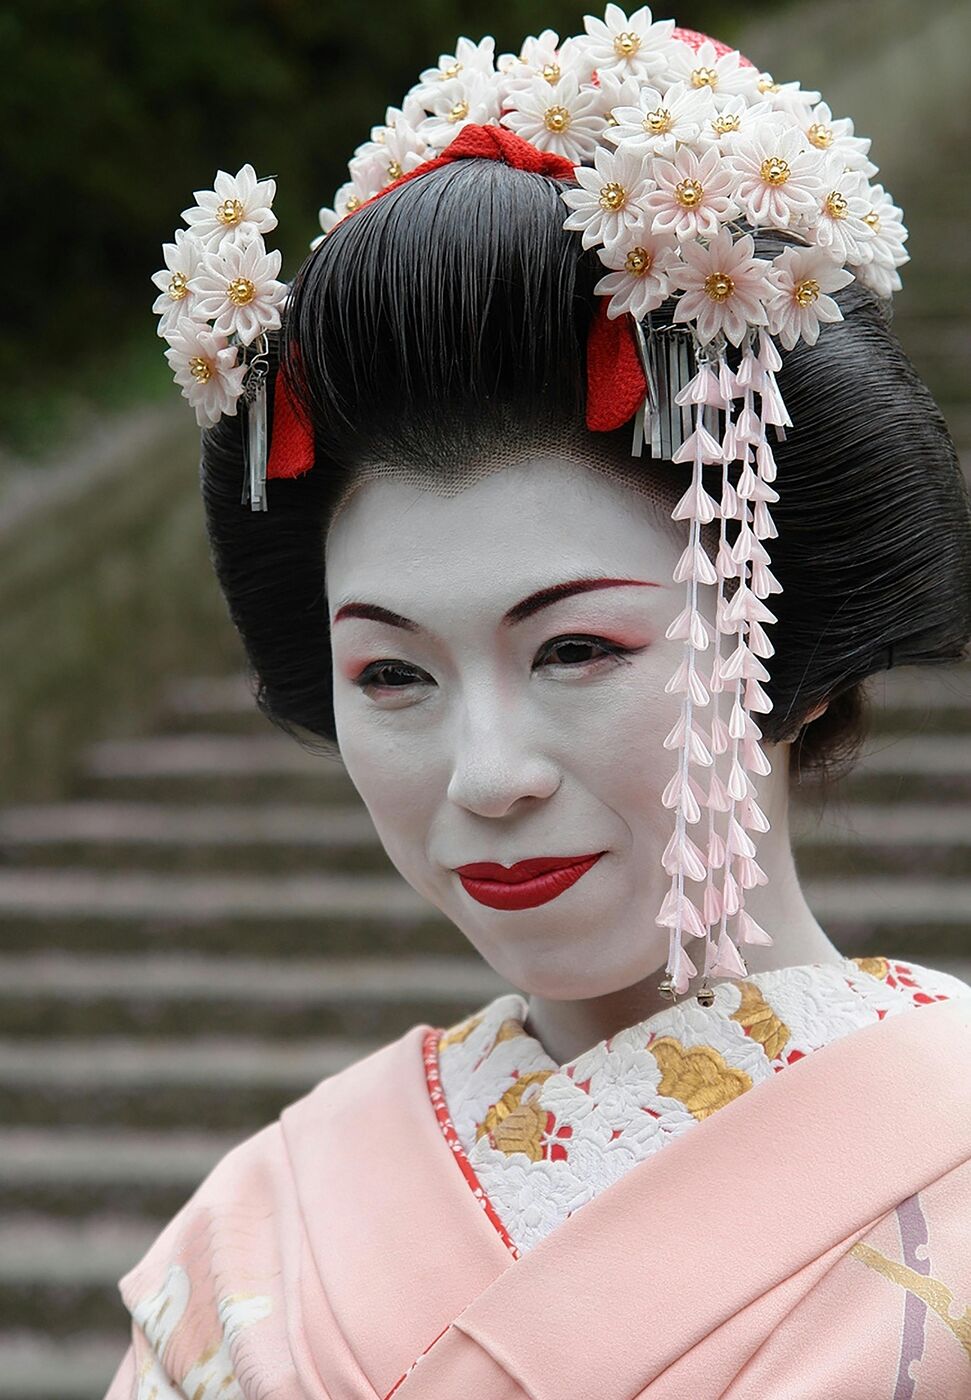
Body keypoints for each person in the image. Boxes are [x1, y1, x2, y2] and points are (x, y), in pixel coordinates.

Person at [109, 10, 971, 1397]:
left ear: (790, 658)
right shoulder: (260, 1230)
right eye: (392, 676)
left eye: (575, 650)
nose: (486, 773)